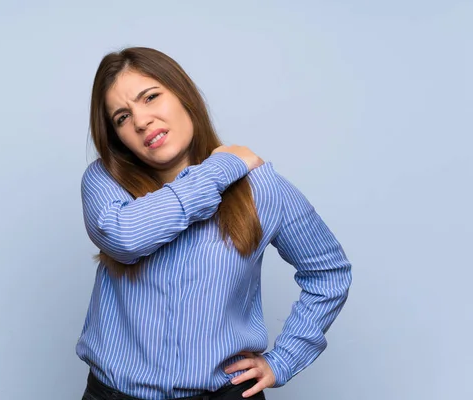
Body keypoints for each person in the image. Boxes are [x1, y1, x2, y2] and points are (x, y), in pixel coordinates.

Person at [76, 47, 352, 400]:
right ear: (117, 137)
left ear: (183, 94)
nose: (141, 121)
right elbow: (126, 238)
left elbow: (329, 272)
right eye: (122, 117)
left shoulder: (260, 187)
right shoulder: (104, 182)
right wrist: (219, 169)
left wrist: (284, 360)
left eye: (151, 97)